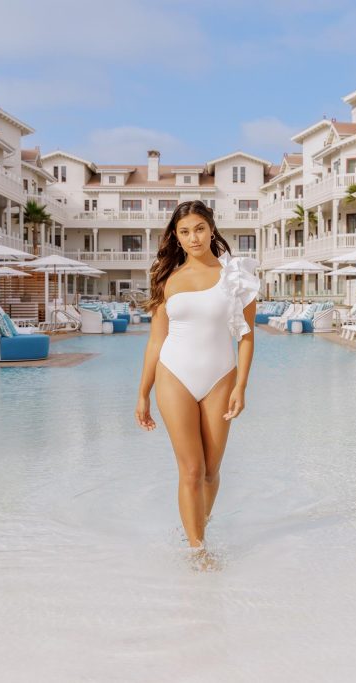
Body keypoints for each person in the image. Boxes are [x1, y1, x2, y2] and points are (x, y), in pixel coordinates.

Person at [135, 200, 259, 561]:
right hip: (173, 374)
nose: (194, 237)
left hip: (221, 377)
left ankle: (196, 525)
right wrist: (143, 393)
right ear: (176, 235)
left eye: (200, 229)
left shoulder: (236, 276)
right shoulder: (166, 278)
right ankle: (198, 551)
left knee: (211, 471)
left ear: (211, 229)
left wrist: (241, 386)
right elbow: (156, 340)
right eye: (185, 231)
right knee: (191, 469)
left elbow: (247, 336)